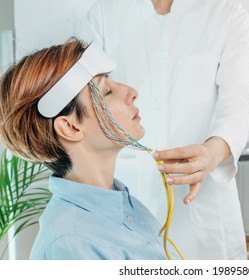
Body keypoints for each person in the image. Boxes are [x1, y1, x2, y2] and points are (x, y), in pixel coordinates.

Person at [81, 0, 249, 259]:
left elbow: (239, 101)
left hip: (202, 208)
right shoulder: (104, 14)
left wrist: (212, 153)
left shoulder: (226, 13)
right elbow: (85, 101)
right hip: (127, 196)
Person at [0, 39, 177, 260]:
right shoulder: (71, 245)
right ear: (71, 127)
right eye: (107, 92)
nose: (131, 92)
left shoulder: (128, 209)